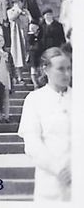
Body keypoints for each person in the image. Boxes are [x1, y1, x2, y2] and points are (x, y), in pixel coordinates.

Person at [18, 48, 72, 201]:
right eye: (61, 69)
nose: (67, 74)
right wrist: (59, 169)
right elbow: (32, 144)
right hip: (50, 183)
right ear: (46, 69)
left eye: (69, 68)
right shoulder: (35, 100)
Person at [7, 0, 30, 84]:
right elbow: (12, 18)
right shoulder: (11, 11)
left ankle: (22, 76)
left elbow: (29, 20)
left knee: (24, 57)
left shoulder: (25, 11)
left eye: (21, 2)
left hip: (24, 35)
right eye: (18, 3)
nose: (20, 4)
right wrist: (18, 11)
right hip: (15, 37)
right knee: (16, 56)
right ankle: (17, 77)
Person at [27, 22, 43, 89]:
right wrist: (32, 34)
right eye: (32, 27)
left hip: (40, 52)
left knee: (40, 69)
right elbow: (29, 42)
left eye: (34, 27)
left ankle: (41, 82)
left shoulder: (41, 33)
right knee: (33, 69)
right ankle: (35, 84)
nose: (33, 28)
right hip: (33, 53)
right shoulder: (30, 35)